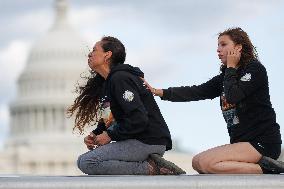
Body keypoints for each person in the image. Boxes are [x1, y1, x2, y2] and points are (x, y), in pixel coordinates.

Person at [143, 27, 284, 174]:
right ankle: (264, 167)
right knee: (197, 162)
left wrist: (230, 67)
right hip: (242, 144)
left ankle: (268, 168)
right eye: (218, 45)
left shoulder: (255, 70)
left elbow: (233, 96)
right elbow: (196, 91)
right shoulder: (225, 77)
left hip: (263, 143)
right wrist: (158, 92)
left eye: (223, 44)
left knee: (206, 163)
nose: (218, 49)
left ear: (238, 47)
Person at [67, 36, 185, 175]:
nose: (90, 53)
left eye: (94, 50)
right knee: (83, 161)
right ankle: (148, 165)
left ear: (107, 55)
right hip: (136, 140)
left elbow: (139, 119)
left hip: (148, 140)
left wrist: (109, 135)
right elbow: (109, 119)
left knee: (88, 162)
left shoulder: (120, 79)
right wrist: (96, 134)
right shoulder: (108, 83)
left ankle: (152, 168)